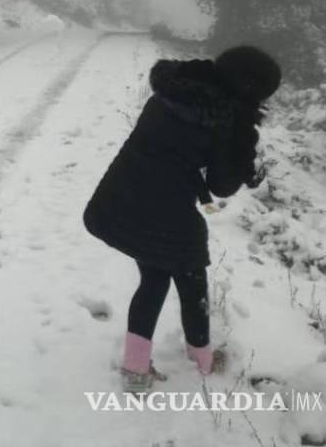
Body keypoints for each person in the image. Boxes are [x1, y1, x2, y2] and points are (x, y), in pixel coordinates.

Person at [83, 46, 281, 393]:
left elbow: (172, 147)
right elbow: (222, 186)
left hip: (120, 196)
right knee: (191, 280)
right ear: (251, 90)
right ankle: (202, 361)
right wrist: (243, 155)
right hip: (165, 211)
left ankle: (136, 367)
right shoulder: (227, 120)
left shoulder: (174, 88)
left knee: (155, 278)